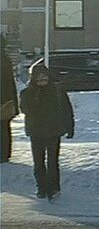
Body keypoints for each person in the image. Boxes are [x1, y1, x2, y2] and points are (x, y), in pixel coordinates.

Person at [19, 62, 74, 201]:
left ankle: (54, 188)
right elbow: (25, 109)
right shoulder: (27, 92)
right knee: (38, 162)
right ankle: (41, 187)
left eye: (44, 77)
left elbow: (67, 110)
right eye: (39, 78)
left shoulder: (57, 90)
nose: (42, 80)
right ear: (34, 79)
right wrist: (35, 98)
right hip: (36, 131)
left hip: (53, 130)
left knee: (53, 161)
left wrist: (69, 127)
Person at [1, 35, 19, 162]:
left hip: (4, 100)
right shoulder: (5, 59)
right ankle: (4, 153)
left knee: (3, 128)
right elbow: (11, 83)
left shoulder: (3, 60)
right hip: (6, 100)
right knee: (4, 127)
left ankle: (3, 154)